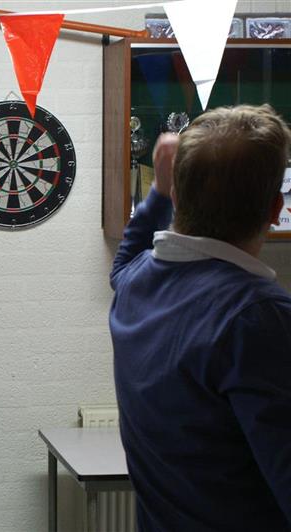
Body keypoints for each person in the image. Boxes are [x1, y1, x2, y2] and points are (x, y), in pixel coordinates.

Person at [110, 104, 291, 531]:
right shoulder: (257, 317)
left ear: (178, 195)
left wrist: (158, 193)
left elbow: (124, 260)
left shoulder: (136, 284)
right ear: (275, 209)